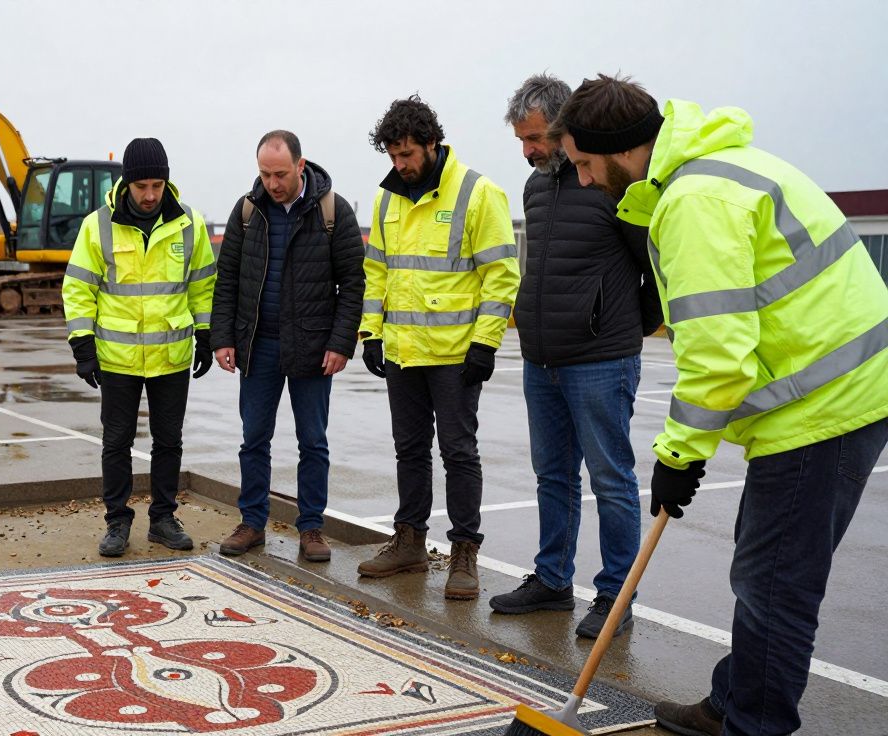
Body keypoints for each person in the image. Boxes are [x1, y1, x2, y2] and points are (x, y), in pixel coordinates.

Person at [551, 73, 888, 736]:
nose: (585, 181)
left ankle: (753, 725)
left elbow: (719, 356)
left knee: (775, 583)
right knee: (762, 563)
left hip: (826, 402)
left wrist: (679, 454)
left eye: (586, 165)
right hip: (827, 388)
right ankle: (733, 700)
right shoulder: (714, 169)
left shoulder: (697, 201)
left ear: (619, 150)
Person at [488, 74, 662, 638]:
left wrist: (620, 329)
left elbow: (652, 269)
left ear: (565, 129)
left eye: (535, 137)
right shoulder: (535, 189)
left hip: (601, 360)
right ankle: (553, 582)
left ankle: (615, 595)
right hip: (542, 360)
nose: (528, 150)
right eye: (522, 140)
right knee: (553, 477)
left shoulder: (615, 182)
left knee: (611, 479)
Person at [357, 95, 520, 600]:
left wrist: (485, 344)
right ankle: (408, 541)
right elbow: (377, 272)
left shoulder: (478, 193)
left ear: (431, 143)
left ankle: (464, 551)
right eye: (392, 156)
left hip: (455, 355)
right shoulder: (388, 198)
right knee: (409, 449)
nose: (399, 165)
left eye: (406, 154)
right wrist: (372, 333)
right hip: (403, 351)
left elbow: (500, 275)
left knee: (458, 451)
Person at [209, 130, 365, 562]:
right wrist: (222, 337)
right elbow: (228, 280)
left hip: (314, 349)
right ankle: (252, 522)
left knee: (313, 441)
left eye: (280, 173)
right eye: (265, 173)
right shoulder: (247, 211)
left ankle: (312, 528)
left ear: (300, 165)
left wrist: (341, 343)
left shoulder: (334, 211)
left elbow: (353, 284)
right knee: (253, 438)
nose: (273, 183)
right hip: (258, 347)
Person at [62, 137, 216, 558]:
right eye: (141, 186)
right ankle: (116, 522)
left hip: (171, 354)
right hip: (118, 357)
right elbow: (78, 288)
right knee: (116, 442)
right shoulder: (98, 225)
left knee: (169, 441)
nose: (150, 196)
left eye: (157, 186)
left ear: (167, 182)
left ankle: (164, 519)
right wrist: (82, 344)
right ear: (127, 184)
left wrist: (205, 333)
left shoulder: (190, 222)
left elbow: (203, 285)